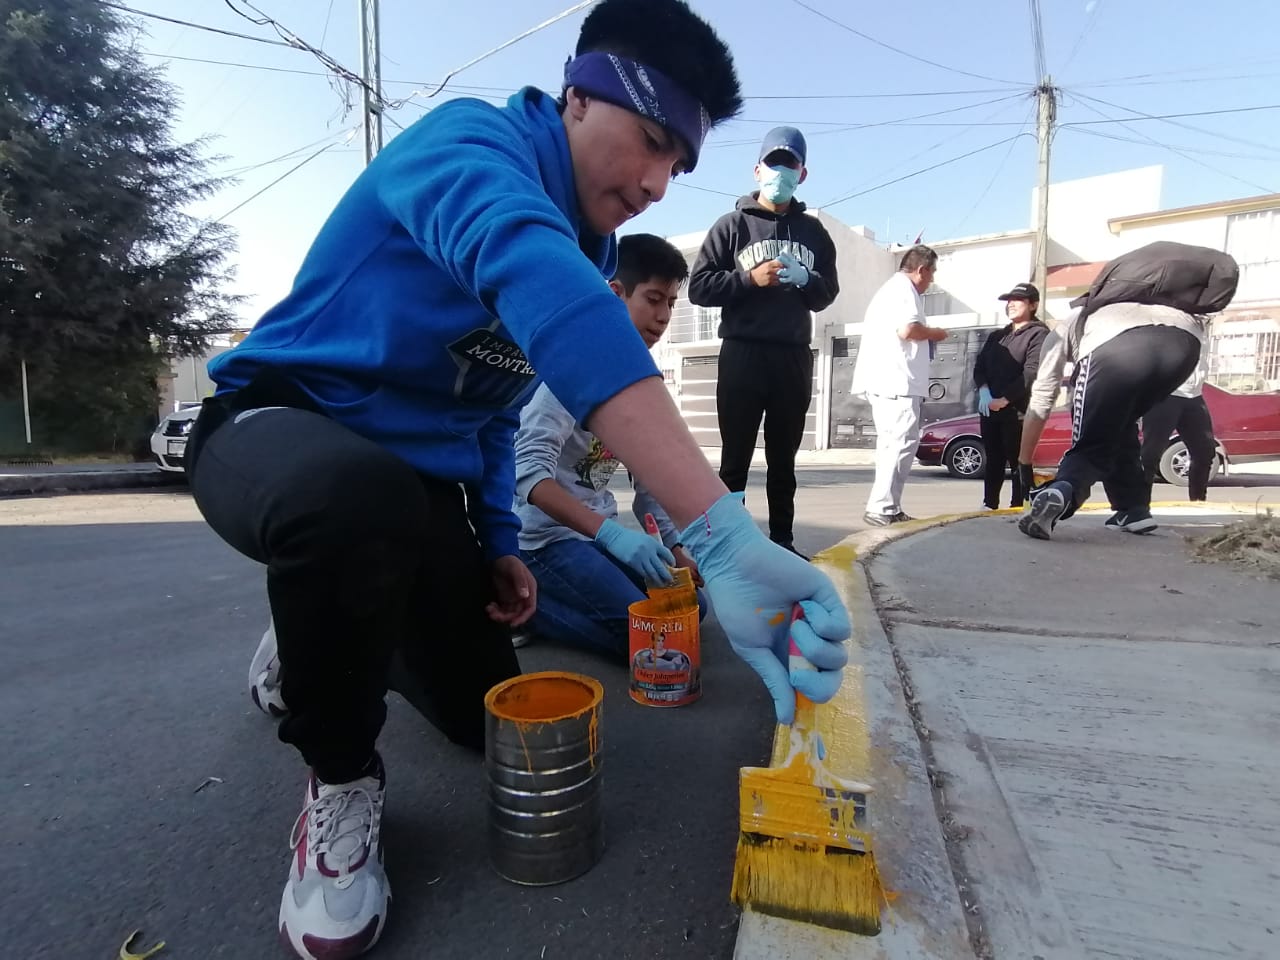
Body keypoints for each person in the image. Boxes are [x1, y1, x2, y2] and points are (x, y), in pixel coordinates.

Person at [183, 2, 851, 957]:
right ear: (579, 96)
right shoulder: (468, 147)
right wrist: (721, 535)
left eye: (681, 166)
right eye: (652, 142)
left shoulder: (595, 247)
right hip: (278, 430)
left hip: (411, 496)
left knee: (479, 716)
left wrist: (498, 546)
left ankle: (307, 645)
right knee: (350, 503)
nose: (660, 183)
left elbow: (494, 413)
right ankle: (338, 783)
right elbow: (539, 281)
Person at [514, 233, 706, 659]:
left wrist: (676, 551)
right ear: (616, 295)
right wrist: (609, 533)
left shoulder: (643, 383)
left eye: (672, 304)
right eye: (653, 299)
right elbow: (527, 475)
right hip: (546, 541)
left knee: (692, 608)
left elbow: (650, 488)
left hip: (598, 538)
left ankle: (547, 601)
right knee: (646, 640)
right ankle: (530, 606)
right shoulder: (569, 371)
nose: (662, 317)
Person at [1016, 242, 1237, 540]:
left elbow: (1042, 400)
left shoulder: (1073, 323)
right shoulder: (1164, 306)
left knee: (1091, 442)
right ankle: (1133, 509)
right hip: (1184, 348)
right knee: (1119, 425)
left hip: (1118, 349)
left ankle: (1061, 493)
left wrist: (1024, 462)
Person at [688, 126, 839, 559]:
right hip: (742, 352)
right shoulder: (732, 226)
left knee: (783, 459)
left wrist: (808, 279)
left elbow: (827, 292)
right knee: (735, 459)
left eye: (789, 165)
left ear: (802, 174)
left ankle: (783, 542)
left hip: (793, 355)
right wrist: (747, 279)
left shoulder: (814, 232)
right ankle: (727, 545)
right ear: (757, 169)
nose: (780, 172)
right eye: (773, 164)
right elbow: (699, 287)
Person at [850, 245, 948, 526]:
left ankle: (887, 507)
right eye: (932, 273)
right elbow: (909, 330)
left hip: (891, 381)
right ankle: (883, 508)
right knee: (900, 444)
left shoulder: (893, 289)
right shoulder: (904, 290)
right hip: (897, 382)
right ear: (922, 269)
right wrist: (936, 334)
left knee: (894, 445)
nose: (931, 280)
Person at [972, 282, 1050, 509]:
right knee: (993, 457)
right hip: (990, 409)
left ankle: (1020, 504)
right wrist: (984, 391)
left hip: (1018, 411)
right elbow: (980, 366)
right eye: (1009, 300)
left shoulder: (1039, 334)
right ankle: (989, 503)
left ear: (1033, 305)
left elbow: (1031, 372)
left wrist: (1005, 399)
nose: (1011, 304)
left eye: (1018, 300)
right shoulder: (998, 335)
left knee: (1019, 460)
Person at [1140, 330, 1216, 502]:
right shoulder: (1174, 324)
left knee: (1205, 452)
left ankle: (1197, 501)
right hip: (1166, 395)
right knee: (1151, 454)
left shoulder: (1203, 329)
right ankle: (1137, 506)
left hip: (1194, 396)